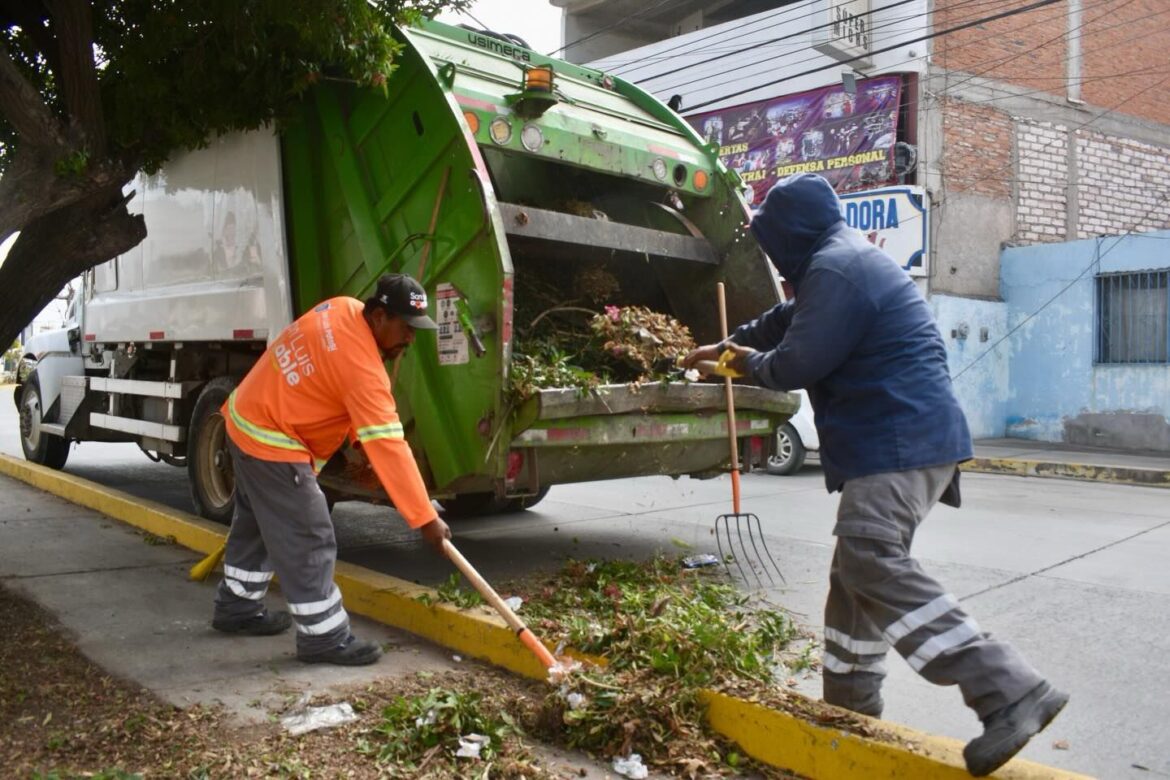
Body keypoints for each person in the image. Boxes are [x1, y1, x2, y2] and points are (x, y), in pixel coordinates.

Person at [683, 174, 1068, 777]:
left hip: (900, 443)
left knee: (869, 557)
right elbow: (784, 325)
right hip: (900, 442)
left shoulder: (837, 269)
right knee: (853, 586)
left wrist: (732, 362)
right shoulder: (836, 266)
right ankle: (851, 721)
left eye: (771, 238)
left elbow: (794, 363)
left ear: (791, 234)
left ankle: (1009, 688)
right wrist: (725, 344)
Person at [211, 273, 451, 666]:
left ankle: (236, 607)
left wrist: (359, 434)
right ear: (377, 316)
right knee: (309, 533)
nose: (410, 338)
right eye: (405, 328)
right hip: (273, 439)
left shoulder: (340, 307)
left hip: (245, 419)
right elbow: (389, 446)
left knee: (255, 523)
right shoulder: (363, 368)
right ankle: (324, 637)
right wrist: (425, 518)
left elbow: (328, 375)